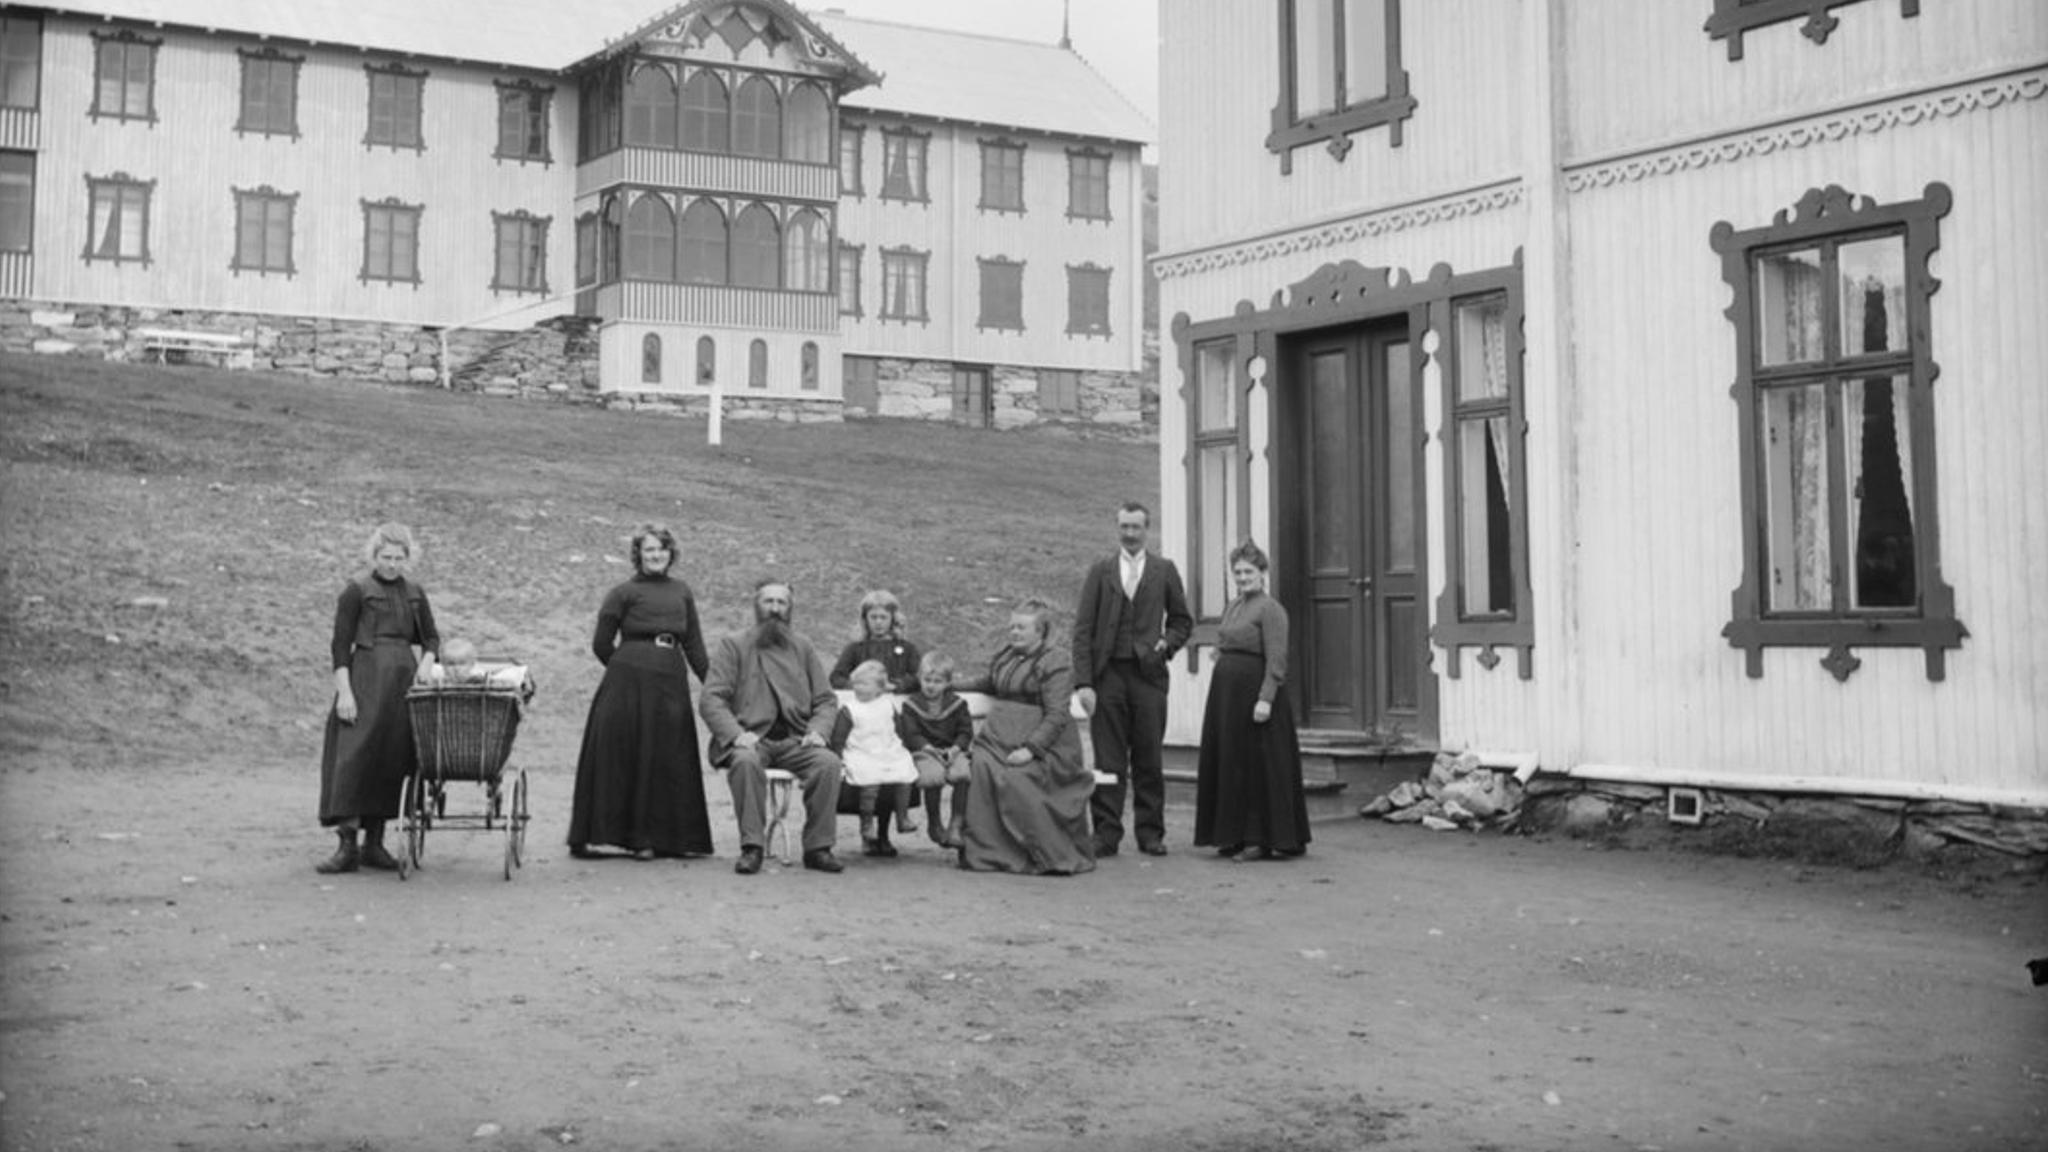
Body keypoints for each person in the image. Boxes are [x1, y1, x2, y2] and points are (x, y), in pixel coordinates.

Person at [567, 524, 713, 862]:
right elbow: (601, 643)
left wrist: (714, 686)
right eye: (649, 550)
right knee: (623, 753)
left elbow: (694, 645)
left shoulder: (682, 591)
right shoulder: (622, 593)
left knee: (665, 752)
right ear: (638, 555)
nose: (656, 555)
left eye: (662, 548)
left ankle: (663, 838)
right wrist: (626, 671)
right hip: (627, 680)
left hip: (671, 679)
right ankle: (626, 838)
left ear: (671, 553)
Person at [316, 522, 441, 874]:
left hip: (403, 683)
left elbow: (431, 638)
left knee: (392, 758)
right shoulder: (356, 591)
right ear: (374, 555)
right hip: (365, 678)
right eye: (385, 557)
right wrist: (345, 691)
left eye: (399, 558)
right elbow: (340, 646)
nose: (391, 564)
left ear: (408, 558)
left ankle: (375, 843)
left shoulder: (415, 592)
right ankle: (347, 846)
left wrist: (427, 663)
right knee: (353, 755)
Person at [700, 579, 846, 875]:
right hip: (752, 739)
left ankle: (818, 848)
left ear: (790, 608)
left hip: (796, 740)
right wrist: (737, 735)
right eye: (769, 602)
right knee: (744, 762)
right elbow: (711, 699)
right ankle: (752, 847)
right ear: (757, 606)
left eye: (782, 603)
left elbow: (825, 700)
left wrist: (817, 731)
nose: (775, 609)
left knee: (828, 763)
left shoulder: (802, 647)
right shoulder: (734, 645)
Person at [1072, 501, 1192, 857]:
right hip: (1108, 676)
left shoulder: (1164, 570)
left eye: (1136, 527)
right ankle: (1106, 834)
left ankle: (1150, 833)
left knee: (1148, 758)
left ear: (1147, 529)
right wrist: (1084, 683)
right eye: (1124, 527)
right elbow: (1083, 631)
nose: (1129, 533)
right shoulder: (1101, 571)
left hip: (1148, 678)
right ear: (1117, 528)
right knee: (1108, 760)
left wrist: (1165, 645)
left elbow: (1182, 622)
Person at [953, 599, 1095, 876]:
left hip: (1045, 745)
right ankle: (987, 853)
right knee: (978, 768)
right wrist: (949, 684)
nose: (1014, 633)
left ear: (1040, 631)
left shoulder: (1055, 662)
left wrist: (1031, 750)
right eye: (1012, 627)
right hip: (997, 739)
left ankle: (1038, 853)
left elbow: (1056, 715)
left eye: (1021, 628)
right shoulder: (1008, 656)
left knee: (1017, 778)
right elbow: (988, 683)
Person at [1194, 540, 1310, 860]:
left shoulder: (1270, 609)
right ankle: (1231, 835)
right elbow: (1228, 637)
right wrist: (1221, 653)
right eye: (1237, 572)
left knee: (1256, 768)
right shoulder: (1234, 605)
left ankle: (1259, 839)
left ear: (1262, 573)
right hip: (1227, 700)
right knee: (1230, 763)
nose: (1243, 577)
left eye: (1248, 571)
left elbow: (1277, 658)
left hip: (1255, 698)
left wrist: (1266, 699)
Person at [830, 660, 921, 857]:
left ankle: (902, 816)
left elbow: (898, 730)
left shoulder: (887, 705)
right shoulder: (850, 709)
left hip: (886, 749)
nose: (857, 688)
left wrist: (902, 747)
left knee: (903, 768)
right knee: (870, 776)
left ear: (879, 688)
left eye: (863, 684)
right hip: (861, 750)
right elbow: (839, 738)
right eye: (855, 684)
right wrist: (838, 759)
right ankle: (867, 821)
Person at [900, 650, 974, 848]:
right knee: (932, 775)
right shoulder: (912, 705)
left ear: (948, 682)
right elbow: (911, 733)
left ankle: (957, 823)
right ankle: (934, 822)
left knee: (963, 773)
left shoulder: (957, 704)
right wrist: (928, 748)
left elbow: (965, 731)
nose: (931, 685)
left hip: (953, 750)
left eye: (938, 681)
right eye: (927, 680)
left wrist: (956, 748)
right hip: (925, 751)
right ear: (920, 679)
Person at [829, 589, 923, 695]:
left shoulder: (908, 649)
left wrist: (896, 686)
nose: (878, 622)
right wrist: (858, 686)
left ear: (893, 619)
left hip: (897, 704)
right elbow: (836, 678)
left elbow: (919, 677)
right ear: (865, 619)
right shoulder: (855, 649)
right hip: (863, 704)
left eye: (883, 617)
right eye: (873, 617)